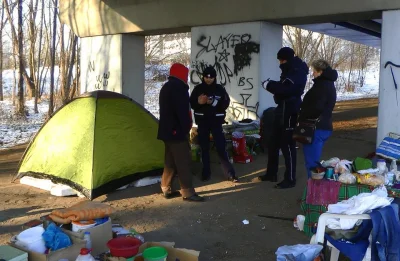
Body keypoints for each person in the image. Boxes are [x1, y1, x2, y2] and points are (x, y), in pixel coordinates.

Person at [258, 47, 308, 189]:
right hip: (282, 108)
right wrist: (276, 89)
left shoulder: (297, 71)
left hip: (291, 110)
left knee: (287, 144)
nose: (280, 63)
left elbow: (286, 89)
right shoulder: (289, 69)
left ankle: (290, 178)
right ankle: (271, 173)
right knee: (273, 142)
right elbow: (282, 89)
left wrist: (270, 85)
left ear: (287, 59)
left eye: (282, 60)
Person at [157, 63, 204, 202]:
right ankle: (188, 192)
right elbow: (182, 112)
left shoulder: (166, 87)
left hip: (167, 131)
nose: (187, 77)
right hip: (177, 132)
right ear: (181, 74)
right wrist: (186, 127)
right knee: (183, 161)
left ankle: (166, 188)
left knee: (170, 161)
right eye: (186, 73)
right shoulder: (179, 88)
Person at [190, 66, 238, 183]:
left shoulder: (219, 89)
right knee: (204, 148)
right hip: (202, 122)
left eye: (211, 77)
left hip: (216, 122)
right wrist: (199, 102)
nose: (208, 79)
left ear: (215, 77)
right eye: (206, 77)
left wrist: (214, 103)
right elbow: (192, 104)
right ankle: (206, 172)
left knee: (221, 147)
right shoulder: (198, 89)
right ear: (203, 77)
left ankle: (230, 173)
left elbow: (225, 103)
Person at [299, 59, 337, 178]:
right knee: (314, 163)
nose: (313, 74)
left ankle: (314, 193)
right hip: (324, 126)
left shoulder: (321, 86)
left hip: (315, 127)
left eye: (314, 71)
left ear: (320, 71)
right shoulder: (329, 84)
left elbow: (316, 107)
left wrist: (302, 114)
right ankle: (316, 192)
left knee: (312, 165)